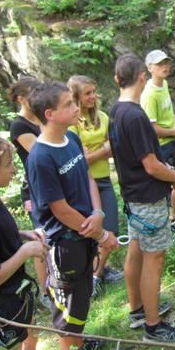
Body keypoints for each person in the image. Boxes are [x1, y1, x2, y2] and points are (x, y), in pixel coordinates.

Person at [27, 82, 117, 350]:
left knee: (81, 301)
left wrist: (98, 213)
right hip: (64, 245)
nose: (76, 107)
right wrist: (101, 235)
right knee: (68, 314)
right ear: (49, 114)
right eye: (68, 104)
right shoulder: (40, 157)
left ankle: (79, 347)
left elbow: (88, 177)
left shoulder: (71, 139)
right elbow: (60, 209)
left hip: (86, 232)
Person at [108, 53, 175, 342]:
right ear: (142, 77)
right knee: (154, 259)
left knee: (137, 251)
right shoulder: (136, 115)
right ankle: (153, 327)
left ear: (117, 79)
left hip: (132, 195)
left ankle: (138, 310)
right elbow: (151, 165)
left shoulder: (115, 111)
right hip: (147, 196)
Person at [0, 131, 49, 350]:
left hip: (15, 299)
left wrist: (22, 234)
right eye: (8, 165)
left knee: (30, 338)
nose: (14, 170)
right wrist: (25, 252)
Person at [68, 75, 124, 297]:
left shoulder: (102, 117)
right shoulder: (72, 123)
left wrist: (96, 151)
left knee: (110, 229)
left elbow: (115, 145)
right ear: (76, 97)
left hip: (104, 180)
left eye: (94, 91)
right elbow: (80, 159)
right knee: (89, 233)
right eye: (87, 93)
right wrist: (104, 149)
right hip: (83, 184)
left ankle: (96, 275)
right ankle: (93, 275)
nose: (93, 96)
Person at [141, 49, 175, 233]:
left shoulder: (163, 85)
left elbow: (162, 114)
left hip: (170, 144)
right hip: (160, 147)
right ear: (150, 68)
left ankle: (173, 218)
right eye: (160, 64)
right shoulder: (149, 95)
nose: (165, 67)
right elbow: (151, 128)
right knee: (174, 185)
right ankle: (166, 222)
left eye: (166, 63)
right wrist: (174, 131)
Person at [7, 77, 49, 304]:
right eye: (35, 92)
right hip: (35, 189)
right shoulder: (19, 126)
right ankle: (46, 292)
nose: (39, 95)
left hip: (51, 182)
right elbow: (41, 151)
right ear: (21, 99)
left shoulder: (42, 117)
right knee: (42, 238)